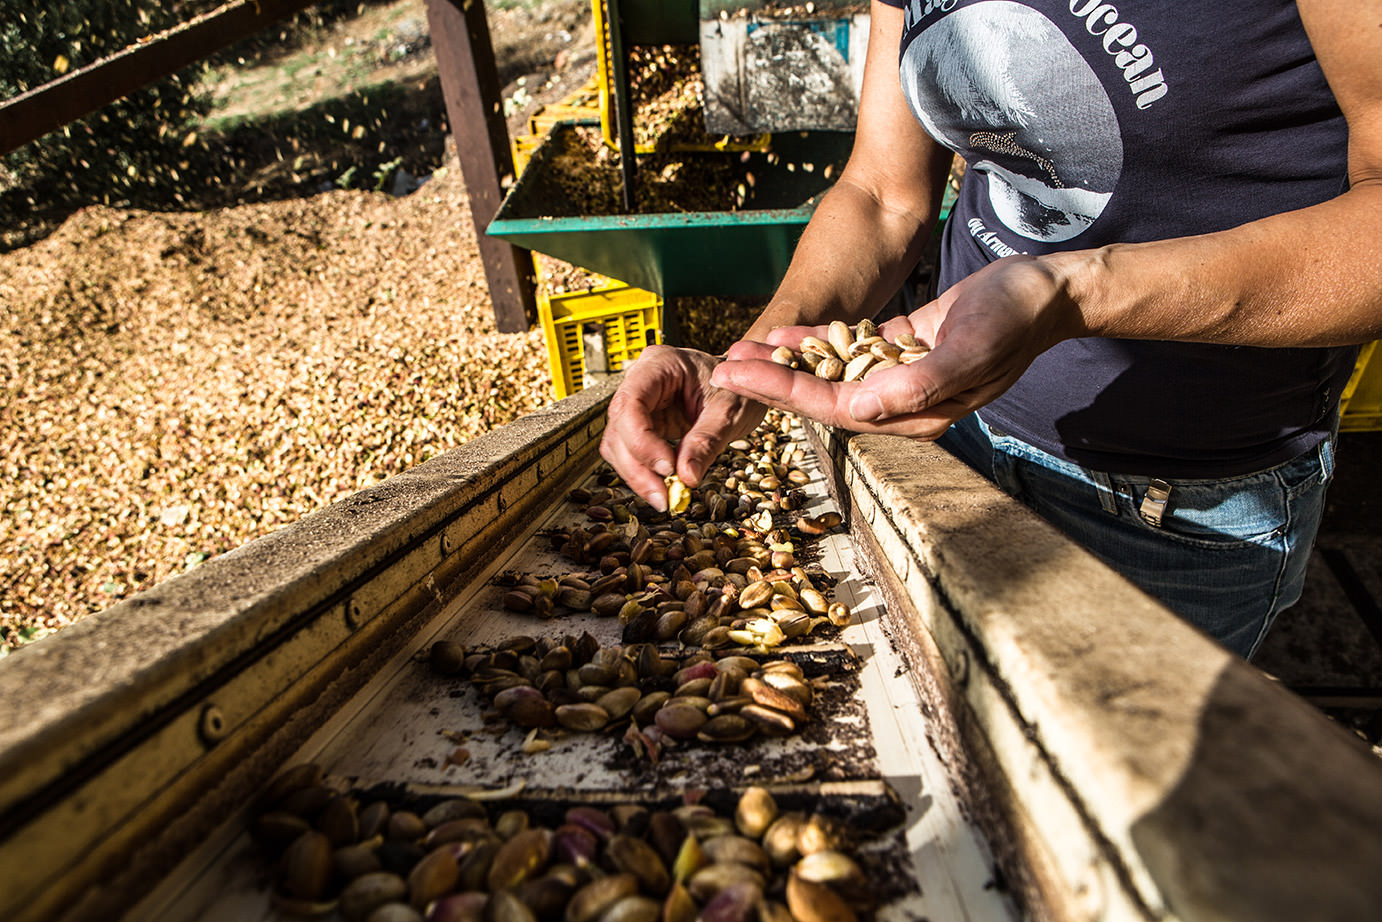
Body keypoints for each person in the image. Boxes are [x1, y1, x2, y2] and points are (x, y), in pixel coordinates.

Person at [598, 0, 1382, 660]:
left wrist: (1074, 290)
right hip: (955, 449)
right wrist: (746, 365)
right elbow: (883, 193)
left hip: (1167, 503)